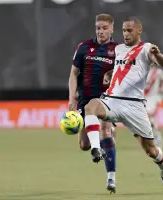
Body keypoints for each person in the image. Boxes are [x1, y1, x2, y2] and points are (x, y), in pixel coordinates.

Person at [83, 17, 163, 193]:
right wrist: (109, 74)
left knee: (151, 150)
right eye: (124, 30)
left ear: (139, 31)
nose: (125, 34)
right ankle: (96, 148)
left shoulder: (145, 48)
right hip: (113, 100)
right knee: (91, 106)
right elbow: (121, 69)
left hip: (134, 106)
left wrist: (158, 54)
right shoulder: (118, 49)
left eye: (129, 30)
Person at [68, 14, 118, 193]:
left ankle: (111, 179)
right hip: (85, 99)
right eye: (98, 28)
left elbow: (124, 74)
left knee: (105, 131)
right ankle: (96, 145)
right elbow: (73, 74)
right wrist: (71, 98)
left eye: (104, 28)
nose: (101, 31)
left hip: (107, 100)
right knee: (84, 145)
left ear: (112, 28)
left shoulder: (118, 50)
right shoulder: (84, 47)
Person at [144, 64, 163, 149]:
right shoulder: (142, 70)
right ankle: (155, 135)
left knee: (149, 116)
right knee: (149, 120)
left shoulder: (157, 72)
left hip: (153, 98)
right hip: (143, 98)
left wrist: (162, 87)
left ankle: (157, 137)